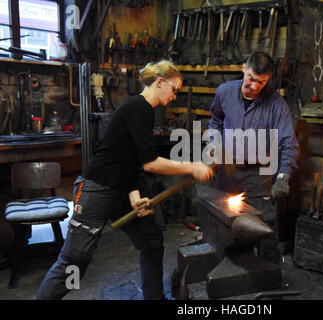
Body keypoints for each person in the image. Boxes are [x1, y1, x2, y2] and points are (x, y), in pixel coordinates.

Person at [36, 60, 214, 300]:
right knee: (75, 260)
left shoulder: (144, 110)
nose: (175, 96)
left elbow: (129, 158)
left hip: (119, 190)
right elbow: (149, 162)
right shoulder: (137, 107)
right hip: (97, 189)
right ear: (160, 82)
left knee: (151, 242)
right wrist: (192, 167)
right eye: (175, 89)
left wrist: (134, 194)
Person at [208, 51, 299, 265]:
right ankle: (228, 272)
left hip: (259, 176)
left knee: (263, 228)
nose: (255, 86)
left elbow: (289, 142)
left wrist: (283, 177)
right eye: (251, 79)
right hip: (227, 171)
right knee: (225, 225)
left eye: (261, 82)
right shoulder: (224, 92)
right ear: (243, 69)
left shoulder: (276, 104)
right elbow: (216, 122)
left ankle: (270, 279)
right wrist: (214, 146)